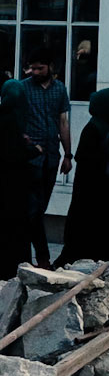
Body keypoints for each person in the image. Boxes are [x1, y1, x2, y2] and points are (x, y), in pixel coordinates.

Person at [57, 86, 109, 264]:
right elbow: (88, 158)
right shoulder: (93, 128)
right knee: (86, 222)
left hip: (102, 184)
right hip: (90, 186)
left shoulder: (107, 125)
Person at [21, 58, 72, 266]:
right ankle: (42, 257)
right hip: (31, 156)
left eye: (39, 68)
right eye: (32, 68)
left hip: (52, 155)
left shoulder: (59, 89)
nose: (34, 72)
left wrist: (68, 154)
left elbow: (63, 122)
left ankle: (37, 257)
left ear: (49, 67)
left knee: (39, 209)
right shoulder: (23, 88)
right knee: (32, 209)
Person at [0, 79, 34, 279]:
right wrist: (32, 150)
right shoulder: (12, 121)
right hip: (14, 188)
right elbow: (13, 155)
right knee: (16, 231)